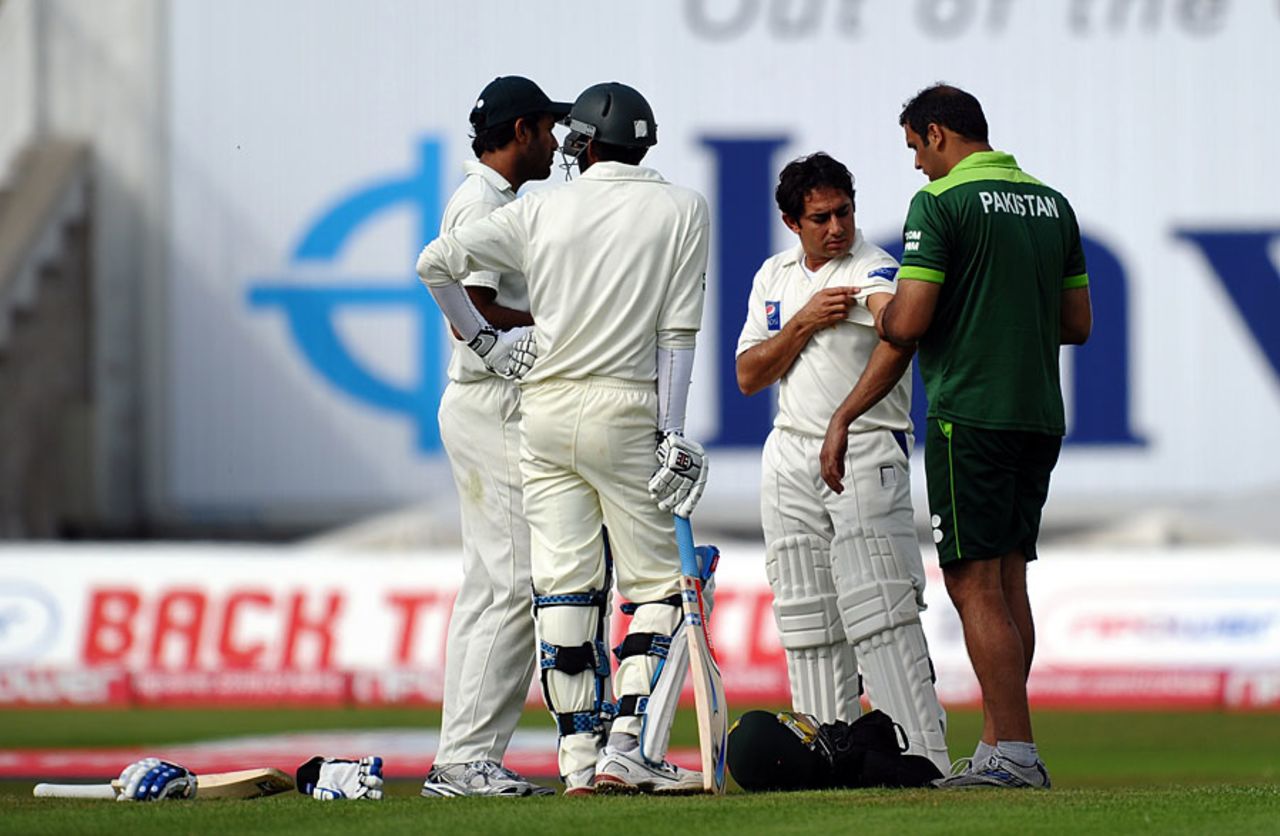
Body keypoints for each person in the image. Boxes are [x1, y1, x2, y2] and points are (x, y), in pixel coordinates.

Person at [417, 81, 711, 796]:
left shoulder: (539, 205)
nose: (554, 143)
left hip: (542, 412)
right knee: (650, 589)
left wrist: (493, 339)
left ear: (583, 141)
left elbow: (433, 264)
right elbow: (676, 334)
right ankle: (624, 750)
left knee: (563, 590)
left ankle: (580, 761)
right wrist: (672, 430)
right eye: (543, 129)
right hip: (602, 408)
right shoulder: (681, 207)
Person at [879, 83, 1093, 789]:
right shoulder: (1051, 203)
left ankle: (1017, 756)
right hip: (1037, 413)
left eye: (915, 148)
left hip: (967, 413)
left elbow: (908, 322)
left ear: (938, 134)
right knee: (1007, 579)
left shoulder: (940, 205)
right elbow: (1076, 322)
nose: (916, 165)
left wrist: (878, 310)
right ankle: (1003, 741)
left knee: (972, 584)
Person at [735, 152, 950, 773]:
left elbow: (897, 327)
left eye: (844, 212)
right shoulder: (774, 277)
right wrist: (802, 323)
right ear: (791, 222)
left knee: (880, 609)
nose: (836, 227)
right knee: (807, 618)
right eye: (820, 217)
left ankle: (920, 757)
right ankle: (832, 759)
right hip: (789, 453)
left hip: (865, 448)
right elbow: (749, 374)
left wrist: (844, 420)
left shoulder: (873, 266)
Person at [418, 75, 568, 799]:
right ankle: (464, 760)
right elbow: (468, 306)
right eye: (546, 129)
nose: (556, 142)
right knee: (509, 579)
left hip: (493, 403)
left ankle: (466, 754)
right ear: (518, 133)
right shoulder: (481, 201)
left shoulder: (497, 199)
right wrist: (556, 336)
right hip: (491, 402)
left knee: (499, 579)